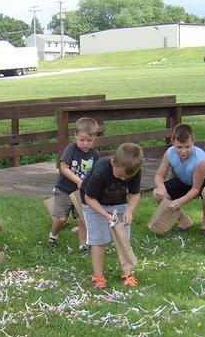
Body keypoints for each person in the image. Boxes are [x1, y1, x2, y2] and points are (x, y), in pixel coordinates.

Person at [80, 143, 143, 288]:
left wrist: (129, 211)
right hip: (93, 202)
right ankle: (98, 276)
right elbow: (89, 198)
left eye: (126, 178)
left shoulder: (133, 170)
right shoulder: (101, 171)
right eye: (120, 175)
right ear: (113, 162)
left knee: (123, 237)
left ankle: (127, 273)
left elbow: (134, 194)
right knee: (99, 238)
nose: (122, 179)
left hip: (118, 202)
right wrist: (106, 216)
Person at [152, 123, 205, 235]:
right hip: (186, 179)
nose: (183, 151)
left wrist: (180, 201)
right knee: (157, 193)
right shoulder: (169, 153)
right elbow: (159, 175)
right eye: (179, 147)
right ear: (172, 142)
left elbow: (196, 189)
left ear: (193, 142)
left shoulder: (200, 160)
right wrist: (161, 187)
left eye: (188, 147)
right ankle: (184, 220)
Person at [48, 117, 100, 252]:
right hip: (64, 190)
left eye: (89, 141)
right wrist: (78, 181)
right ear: (75, 136)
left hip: (81, 193)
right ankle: (53, 236)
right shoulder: (71, 149)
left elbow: (95, 174)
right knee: (61, 218)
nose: (85, 144)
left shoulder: (95, 154)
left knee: (82, 219)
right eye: (82, 140)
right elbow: (63, 168)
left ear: (95, 139)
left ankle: (83, 246)